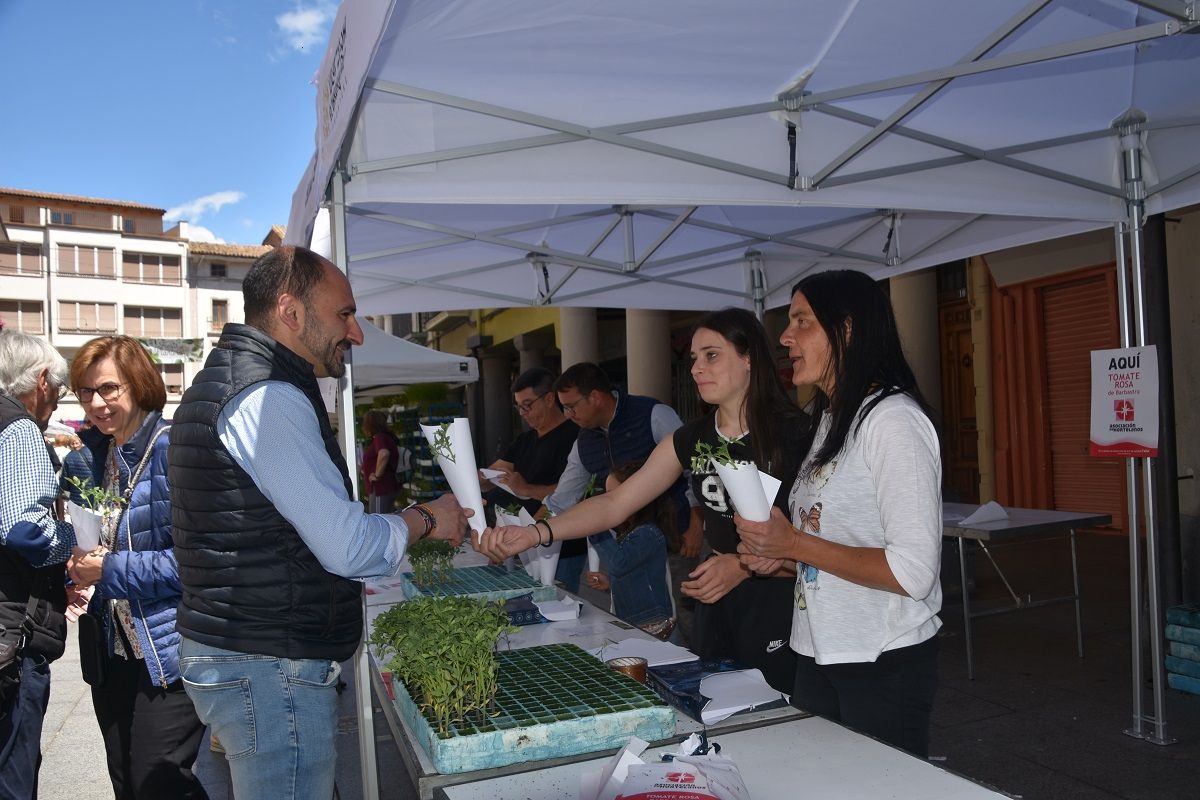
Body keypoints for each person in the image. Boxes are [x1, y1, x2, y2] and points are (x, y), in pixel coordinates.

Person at [169, 245, 470, 800]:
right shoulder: (266, 396)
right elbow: (348, 547)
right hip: (269, 662)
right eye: (345, 314)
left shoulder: (237, 380)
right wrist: (428, 517)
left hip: (252, 652)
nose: (355, 333)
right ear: (291, 312)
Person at [480, 310, 808, 690]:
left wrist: (743, 566)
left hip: (782, 607)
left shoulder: (798, 434)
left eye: (711, 355)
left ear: (749, 357)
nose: (697, 368)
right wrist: (536, 533)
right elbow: (615, 504)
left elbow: (828, 545)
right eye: (694, 359)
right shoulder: (690, 439)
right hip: (716, 603)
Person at [736, 269, 942, 758]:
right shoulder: (828, 419)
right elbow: (830, 549)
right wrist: (781, 559)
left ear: (847, 330)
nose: (785, 337)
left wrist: (794, 545)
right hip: (816, 651)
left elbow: (913, 572)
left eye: (801, 321)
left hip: (881, 658)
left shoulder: (893, 423)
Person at [65, 336, 207, 799]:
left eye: (109, 388)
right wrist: (78, 570)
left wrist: (108, 570)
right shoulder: (99, 458)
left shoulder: (172, 451)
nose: (97, 403)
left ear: (139, 384)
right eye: (86, 392)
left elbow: (195, 564)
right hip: (114, 654)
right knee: (127, 781)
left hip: (166, 652)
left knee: (159, 782)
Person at [541, 362, 702, 596]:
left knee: (684, 614)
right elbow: (562, 499)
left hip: (677, 538)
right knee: (637, 618)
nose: (568, 415)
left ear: (595, 397)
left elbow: (695, 469)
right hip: (627, 548)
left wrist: (697, 524)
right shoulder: (584, 441)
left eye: (571, 407)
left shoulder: (653, 414)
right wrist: (529, 530)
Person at [0, 331, 76, 798]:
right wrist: (72, 542)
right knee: (13, 769)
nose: (54, 406)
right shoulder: (19, 427)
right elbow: (24, 529)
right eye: (60, 394)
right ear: (42, 380)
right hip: (12, 634)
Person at [582, 460, 676, 640]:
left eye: (613, 495)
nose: (609, 501)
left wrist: (595, 527)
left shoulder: (647, 533)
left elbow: (619, 563)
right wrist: (613, 584)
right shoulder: (633, 530)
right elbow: (636, 572)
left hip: (653, 625)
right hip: (637, 622)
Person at [479, 367, 578, 523]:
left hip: (549, 536)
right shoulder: (524, 439)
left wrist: (526, 489)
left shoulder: (575, 437)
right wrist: (477, 478)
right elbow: (492, 473)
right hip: (512, 529)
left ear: (549, 399)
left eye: (527, 404)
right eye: (518, 406)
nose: (522, 412)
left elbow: (574, 491)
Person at [360, 409, 400, 513]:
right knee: (385, 518)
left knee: (378, 520)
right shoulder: (385, 437)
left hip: (380, 488)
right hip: (386, 487)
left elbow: (384, 453)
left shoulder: (379, 438)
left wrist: (377, 475)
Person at [60, 421, 95, 507]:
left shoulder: (70, 456)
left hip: (77, 502)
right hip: (97, 499)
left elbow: (64, 484)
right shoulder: (100, 454)